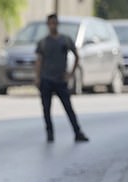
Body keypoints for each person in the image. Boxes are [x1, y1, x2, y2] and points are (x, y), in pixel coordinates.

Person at [34, 13, 89, 143]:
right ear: (48, 25)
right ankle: (50, 133)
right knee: (46, 109)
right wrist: (37, 77)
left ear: (58, 24)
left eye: (55, 23)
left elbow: (76, 56)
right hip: (46, 79)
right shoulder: (43, 42)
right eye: (50, 23)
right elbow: (39, 60)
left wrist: (70, 73)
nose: (53, 26)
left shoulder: (65, 40)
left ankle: (77, 132)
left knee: (68, 108)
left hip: (60, 80)